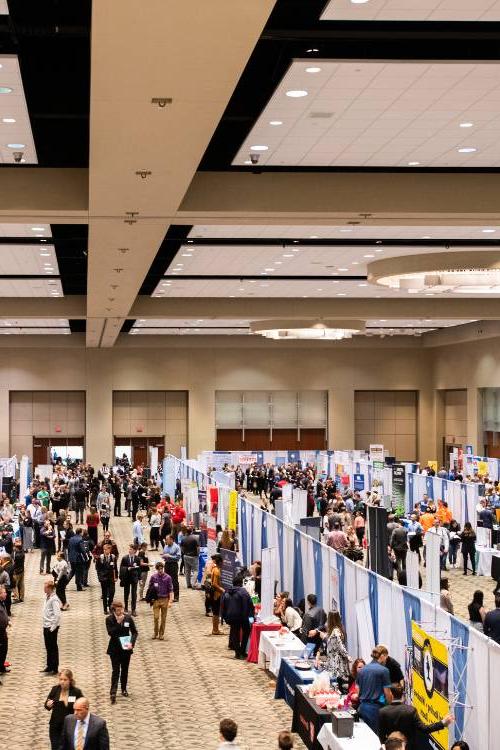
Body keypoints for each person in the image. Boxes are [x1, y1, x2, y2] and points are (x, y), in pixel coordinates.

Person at [379, 683, 453, 750]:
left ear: (391, 694)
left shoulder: (382, 712)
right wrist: (443, 723)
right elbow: (424, 729)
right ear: (402, 694)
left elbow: (381, 735)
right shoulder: (410, 710)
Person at [105, 599, 138, 703]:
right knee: (116, 670)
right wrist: (118, 623)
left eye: (121, 610)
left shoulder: (128, 618)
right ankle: (113, 691)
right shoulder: (109, 619)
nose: (120, 612)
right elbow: (110, 633)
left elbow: (134, 632)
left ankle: (123, 689)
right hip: (114, 648)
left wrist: (131, 643)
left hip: (125, 647)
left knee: (125, 669)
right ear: (114, 610)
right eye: (118, 610)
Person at [44, 668, 84, 750]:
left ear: (70, 680)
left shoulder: (76, 692)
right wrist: (48, 705)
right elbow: (47, 704)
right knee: (55, 747)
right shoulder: (55, 689)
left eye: (65, 679)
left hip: (70, 726)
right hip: (55, 725)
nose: (62, 682)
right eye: (61, 679)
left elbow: (83, 706)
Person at [356, 645, 393, 733]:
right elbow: (388, 694)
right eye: (386, 658)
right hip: (375, 709)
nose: (386, 660)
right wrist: (389, 705)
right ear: (382, 656)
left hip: (362, 708)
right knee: (375, 738)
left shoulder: (362, 670)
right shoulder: (384, 671)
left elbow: (358, 689)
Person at [222, 573, 255, 659]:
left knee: (235, 634)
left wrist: (224, 617)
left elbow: (223, 606)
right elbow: (250, 606)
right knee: (246, 632)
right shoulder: (244, 592)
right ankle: (243, 651)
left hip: (231, 617)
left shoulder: (227, 592)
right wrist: (251, 620)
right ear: (241, 583)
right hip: (243, 617)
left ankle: (237, 653)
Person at [316, 611, 350, 689]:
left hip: (336, 663)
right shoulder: (337, 629)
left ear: (330, 619)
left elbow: (340, 646)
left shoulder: (335, 631)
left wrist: (347, 655)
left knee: (337, 686)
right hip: (335, 661)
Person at [146, 561, 174, 640]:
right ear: (157, 569)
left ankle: (161, 634)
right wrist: (150, 598)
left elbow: (171, 590)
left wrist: (170, 601)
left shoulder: (168, 577)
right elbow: (150, 588)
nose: (160, 571)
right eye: (159, 569)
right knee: (156, 617)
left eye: (161, 569)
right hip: (156, 600)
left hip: (165, 599)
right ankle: (155, 632)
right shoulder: (153, 577)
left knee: (163, 618)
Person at [42, 579, 61, 675]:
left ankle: (54, 667)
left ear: (49, 588)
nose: (43, 589)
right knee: (48, 647)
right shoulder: (47, 597)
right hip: (46, 625)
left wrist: (52, 627)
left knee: (53, 647)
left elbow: (57, 615)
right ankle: (49, 665)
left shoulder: (54, 599)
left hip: (51, 627)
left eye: (45, 587)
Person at [95, 542, 118, 615]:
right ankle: (105, 609)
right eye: (104, 549)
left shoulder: (113, 557)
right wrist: (100, 577)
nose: (105, 551)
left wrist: (116, 576)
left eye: (106, 549)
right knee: (104, 594)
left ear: (109, 550)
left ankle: (110, 604)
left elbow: (115, 568)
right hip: (104, 578)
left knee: (112, 592)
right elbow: (98, 568)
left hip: (111, 578)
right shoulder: (100, 558)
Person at [119, 544, 141, 615]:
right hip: (127, 578)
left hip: (134, 578)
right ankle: (125, 608)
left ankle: (133, 609)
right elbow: (121, 567)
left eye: (131, 549)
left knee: (134, 594)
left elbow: (139, 569)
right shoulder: (125, 558)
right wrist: (126, 569)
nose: (129, 550)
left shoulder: (137, 558)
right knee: (126, 593)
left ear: (134, 551)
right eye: (129, 549)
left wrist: (140, 579)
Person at [208, 553, 225, 635]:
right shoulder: (217, 571)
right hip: (216, 594)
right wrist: (222, 590)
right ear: (220, 562)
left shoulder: (214, 569)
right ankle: (215, 629)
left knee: (215, 612)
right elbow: (214, 584)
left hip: (214, 592)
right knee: (216, 612)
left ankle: (215, 629)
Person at [161, 534, 181, 602]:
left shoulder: (176, 547)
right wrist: (164, 556)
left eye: (167, 539)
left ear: (171, 540)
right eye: (166, 540)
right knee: (166, 579)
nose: (166, 541)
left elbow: (178, 557)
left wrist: (169, 556)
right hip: (167, 564)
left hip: (173, 565)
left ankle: (176, 596)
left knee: (174, 581)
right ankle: (167, 595)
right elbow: (163, 554)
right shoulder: (166, 546)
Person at [11, 538, 25, 603]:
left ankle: (16, 597)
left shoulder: (14, 552)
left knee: (14, 585)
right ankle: (22, 597)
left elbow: (13, 561)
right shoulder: (22, 549)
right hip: (22, 569)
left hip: (16, 571)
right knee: (21, 584)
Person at [0, 585, 8, 685]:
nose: (6, 594)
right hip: (0, 633)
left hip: (3, 632)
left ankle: (1, 667)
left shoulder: (2, 603)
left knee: (3, 651)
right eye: (4, 592)